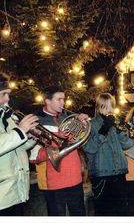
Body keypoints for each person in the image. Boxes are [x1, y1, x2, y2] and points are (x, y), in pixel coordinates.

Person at [0, 72, 39, 215]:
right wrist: (20, 132)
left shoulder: (5, 115)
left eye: (8, 94)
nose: (8, 99)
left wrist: (30, 136)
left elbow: (15, 148)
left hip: (17, 194)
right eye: (3, 95)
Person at [29, 85, 89, 216]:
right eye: (59, 99)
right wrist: (56, 146)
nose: (63, 102)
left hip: (75, 178)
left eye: (64, 99)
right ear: (47, 100)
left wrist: (83, 127)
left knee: (79, 214)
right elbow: (33, 156)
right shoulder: (36, 121)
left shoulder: (68, 117)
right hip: (53, 181)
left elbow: (81, 144)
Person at [83, 93, 134, 216]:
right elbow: (89, 148)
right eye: (105, 107)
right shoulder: (91, 124)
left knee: (121, 210)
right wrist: (103, 130)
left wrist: (119, 131)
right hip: (102, 174)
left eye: (111, 106)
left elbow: (128, 144)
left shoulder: (114, 122)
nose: (109, 110)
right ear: (98, 107)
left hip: (119, 171)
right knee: (104, 211)